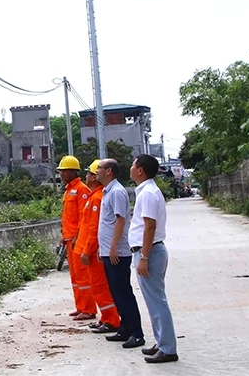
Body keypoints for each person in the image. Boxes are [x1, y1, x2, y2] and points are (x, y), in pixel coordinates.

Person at [128, 154, 179, 363]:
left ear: (140, 170)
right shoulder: (146, 191)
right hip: (147, 251)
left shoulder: (148, 193)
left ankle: (168, 348)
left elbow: (150, 227)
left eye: (133, 164)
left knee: (157, 302)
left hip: (149, 251)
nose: (130, 167)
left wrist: (144, 257)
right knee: (153, 301)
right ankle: (161, 342)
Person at [96, 158, 145, 349]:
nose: (96, 171)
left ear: (109, 171)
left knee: (124, 293)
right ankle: (125, 328)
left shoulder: (116, 192)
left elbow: (120, 221)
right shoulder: (107, 192)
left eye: (99, 168)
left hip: (117, 252)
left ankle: (137, 333)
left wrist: (114, 247)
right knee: (116, 293)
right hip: (109, 251)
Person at [74, 159, 122, 333]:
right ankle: (106, 317)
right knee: (97, 287)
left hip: (93, 251)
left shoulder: (97, 198)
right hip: (91, 249)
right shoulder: (95, 196)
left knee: (100, 287)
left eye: (89, 173)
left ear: (95, 176)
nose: (86, 176)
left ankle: (111, 320)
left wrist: (87, 250)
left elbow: (94, 228)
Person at [58, 155, 96, 321]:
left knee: (82, 277)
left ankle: (88, 309)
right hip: (69, 239)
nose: (61, 174)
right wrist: (64, 236)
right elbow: (68, 217)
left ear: (73, 172)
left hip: (77, 240)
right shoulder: (68, 190)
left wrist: (78, 236)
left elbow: (84, 217)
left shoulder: (81, 190)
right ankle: (80, 307)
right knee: (75, 277)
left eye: (64, 171)